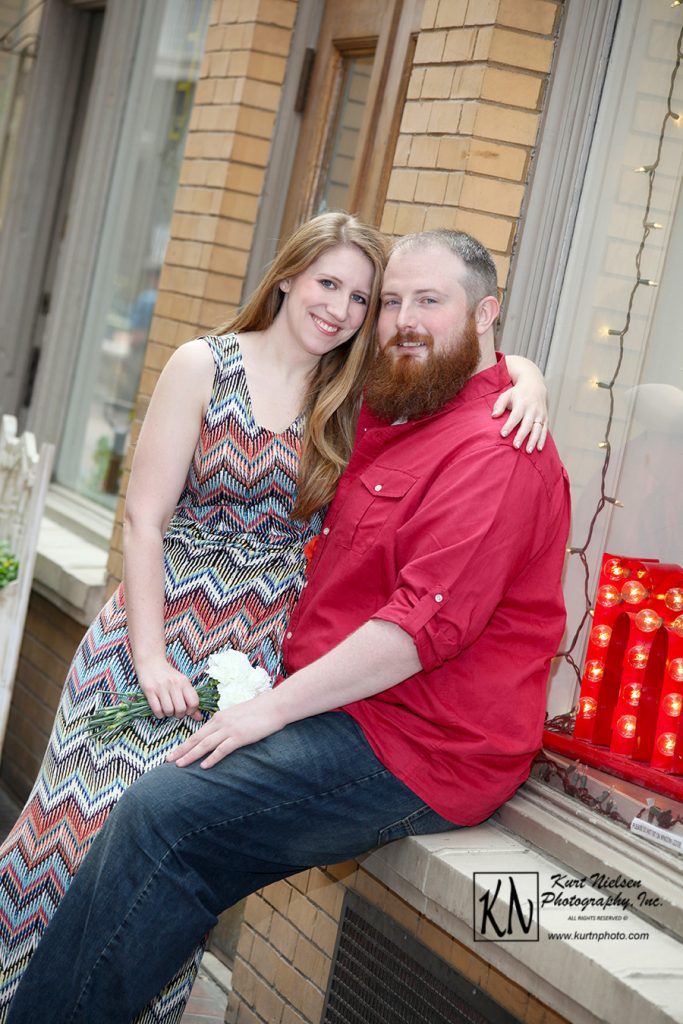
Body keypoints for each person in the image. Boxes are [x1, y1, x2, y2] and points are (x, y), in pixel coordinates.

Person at [6, 228, 569, 1024]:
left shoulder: (492, 448)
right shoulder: (397, 404)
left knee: (164, 816)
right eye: (393, 302)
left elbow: (415, 631)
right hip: (295, 689)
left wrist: (265, 709)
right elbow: (148, 513)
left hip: (407, 741)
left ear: (483, 315)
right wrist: (522, 370)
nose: (398, 319)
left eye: (425, 301)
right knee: (119, 841)